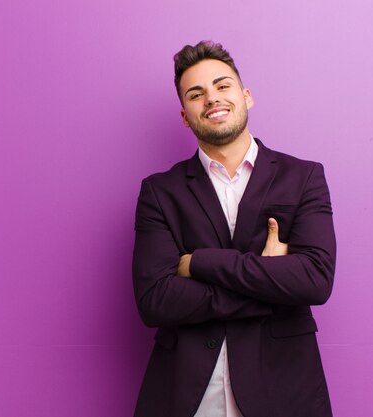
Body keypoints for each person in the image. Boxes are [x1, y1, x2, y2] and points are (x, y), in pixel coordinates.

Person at [132, 41, 336, 417]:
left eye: (222, 86)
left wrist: (199, 264)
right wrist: (271, 280)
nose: (212, 98)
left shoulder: (304, 177)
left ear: (246, 96)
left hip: (283, 390)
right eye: (197, 94)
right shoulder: (160, 191)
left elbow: (315, 281)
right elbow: (155, 301)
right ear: (184, 114)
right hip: (185, 395)